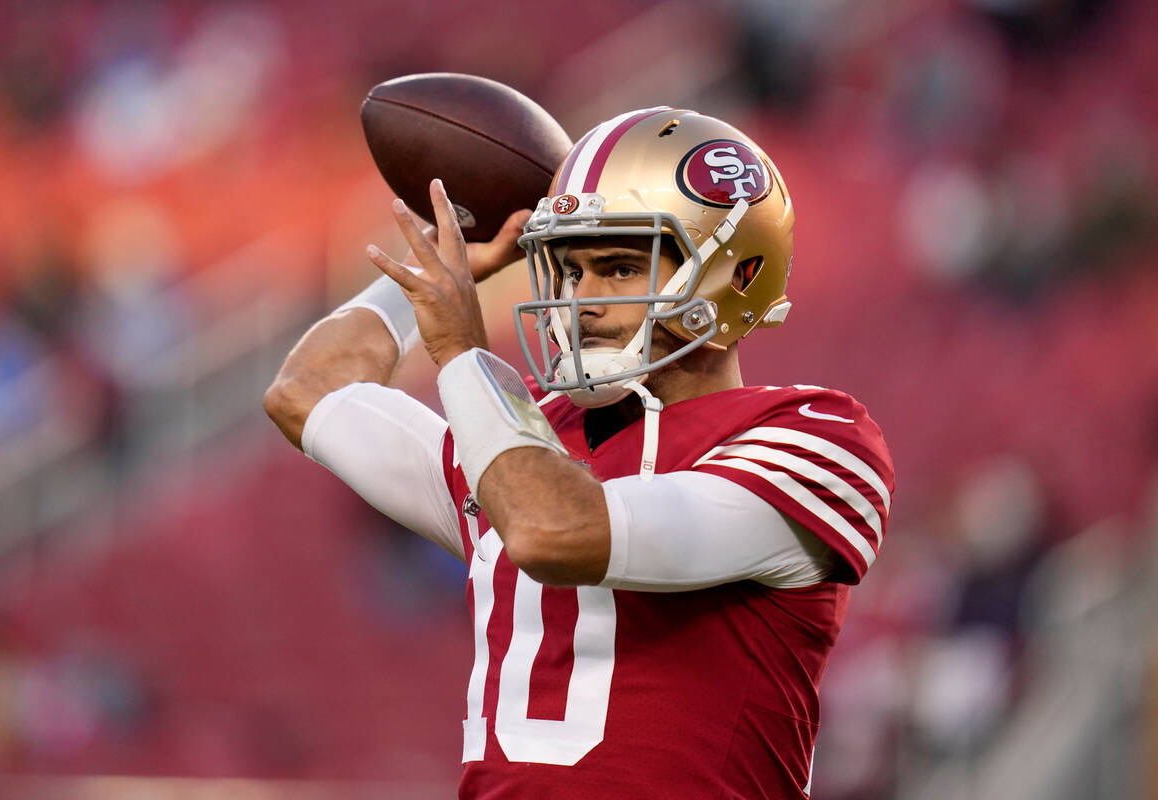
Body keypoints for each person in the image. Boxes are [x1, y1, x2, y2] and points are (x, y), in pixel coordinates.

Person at [264, 106, 894, 799]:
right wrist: (426, 271)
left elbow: (554, 529)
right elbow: (306, 390)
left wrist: (465, 357)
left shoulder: (813, 436)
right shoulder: (516, 443)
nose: (580, 302)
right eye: (568, 269)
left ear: (733, 275)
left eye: (619, 268)